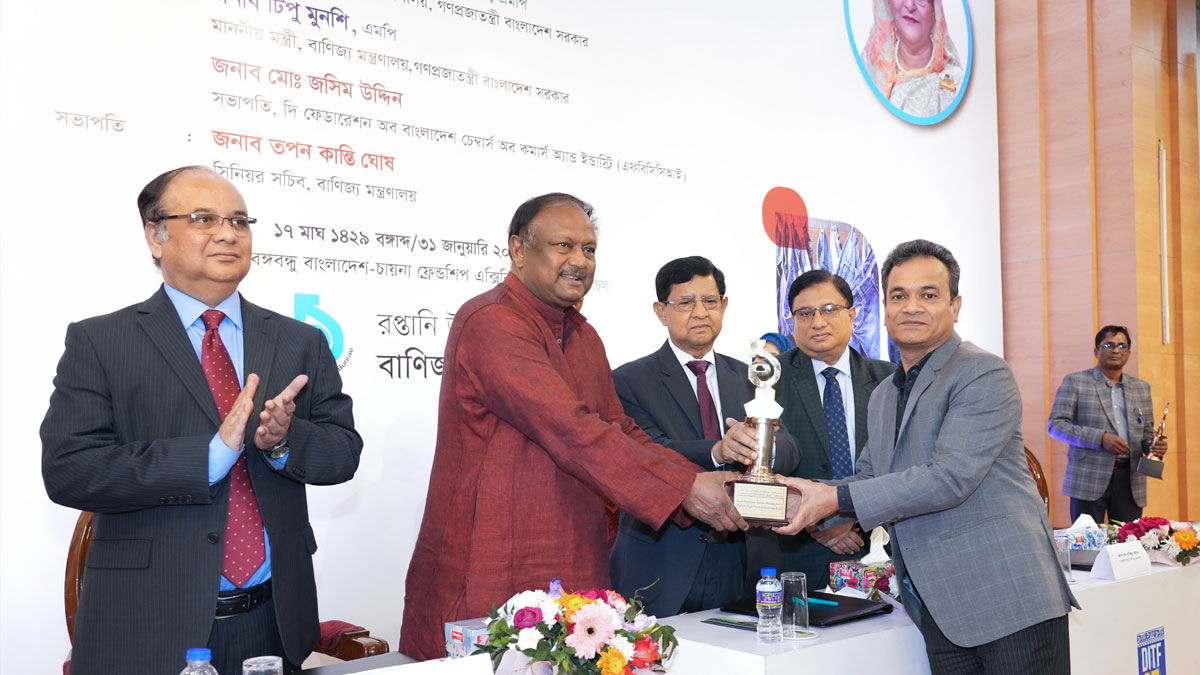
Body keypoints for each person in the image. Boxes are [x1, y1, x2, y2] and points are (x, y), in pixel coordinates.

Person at [41, 166, 362, 675]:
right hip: (147, 625)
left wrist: (283, 442)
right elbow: (70, 470)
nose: (228, 233)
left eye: (239, 220)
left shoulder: (299, 341)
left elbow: (343, 452)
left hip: (273, 621)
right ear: (155, 236)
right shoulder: (101, 342)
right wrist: (211, 456)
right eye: (203, 219)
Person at [399, 194, 747, 660]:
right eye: (563, 246)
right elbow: (572, 430)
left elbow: (621, 430)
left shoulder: (583, 335)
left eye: (589, 249)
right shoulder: (492, 322)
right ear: (519, 250)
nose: (579, 261)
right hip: (492, 558)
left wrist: (698, 479)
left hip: (574, 561)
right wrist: (685, 488)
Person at [776, 240, 1076, 673]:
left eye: (928, 294)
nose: (911, 307)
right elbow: (868, 476)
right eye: (898, 296)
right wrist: (791, 498)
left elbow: (949, 478)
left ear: (955, 306)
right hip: (940, 608)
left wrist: (831, 499)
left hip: (1008, 600)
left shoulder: (981, 372)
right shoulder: (884, 394)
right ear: (884, 309)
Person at [609, 256, 801, 617]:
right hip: (664, 559)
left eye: (710, 301)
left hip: (745, 556)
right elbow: (645, 452)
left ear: (724, 306)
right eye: (685, 302)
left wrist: (763, 448)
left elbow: (790, 448)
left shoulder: (752, 376)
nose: (700, 312)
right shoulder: (628, 381)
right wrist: (718, 450)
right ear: (661, 311)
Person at [775, 270, 895, 590]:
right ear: (792, 321)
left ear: (852, 314)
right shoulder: (770, 380)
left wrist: (850, 517)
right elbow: (760, 471)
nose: (818, 322)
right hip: (797, 554)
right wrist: (820, 523)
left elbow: (900, 466)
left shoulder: (890, 380)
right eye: (805, 313)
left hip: (877, 548)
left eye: (829, 310)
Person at [1048, 326, 1167, 524]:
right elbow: (1056, 426)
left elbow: (1146, 430)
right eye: (1109, 345)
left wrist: (1154, 444)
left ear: (1128, 353)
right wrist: (1100, 438)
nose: (1115, 350)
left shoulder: (1141, 387)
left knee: (1128, 539)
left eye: (1122, 346)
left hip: (1130, 479)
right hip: (1087, 477)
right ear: (1096, 351)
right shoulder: (1076, 382)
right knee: (1087, 539)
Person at [860, 0, 965, 117]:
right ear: (888, 3)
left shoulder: (955, 89)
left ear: (934, 10)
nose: (910, 5)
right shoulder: (864, 70)